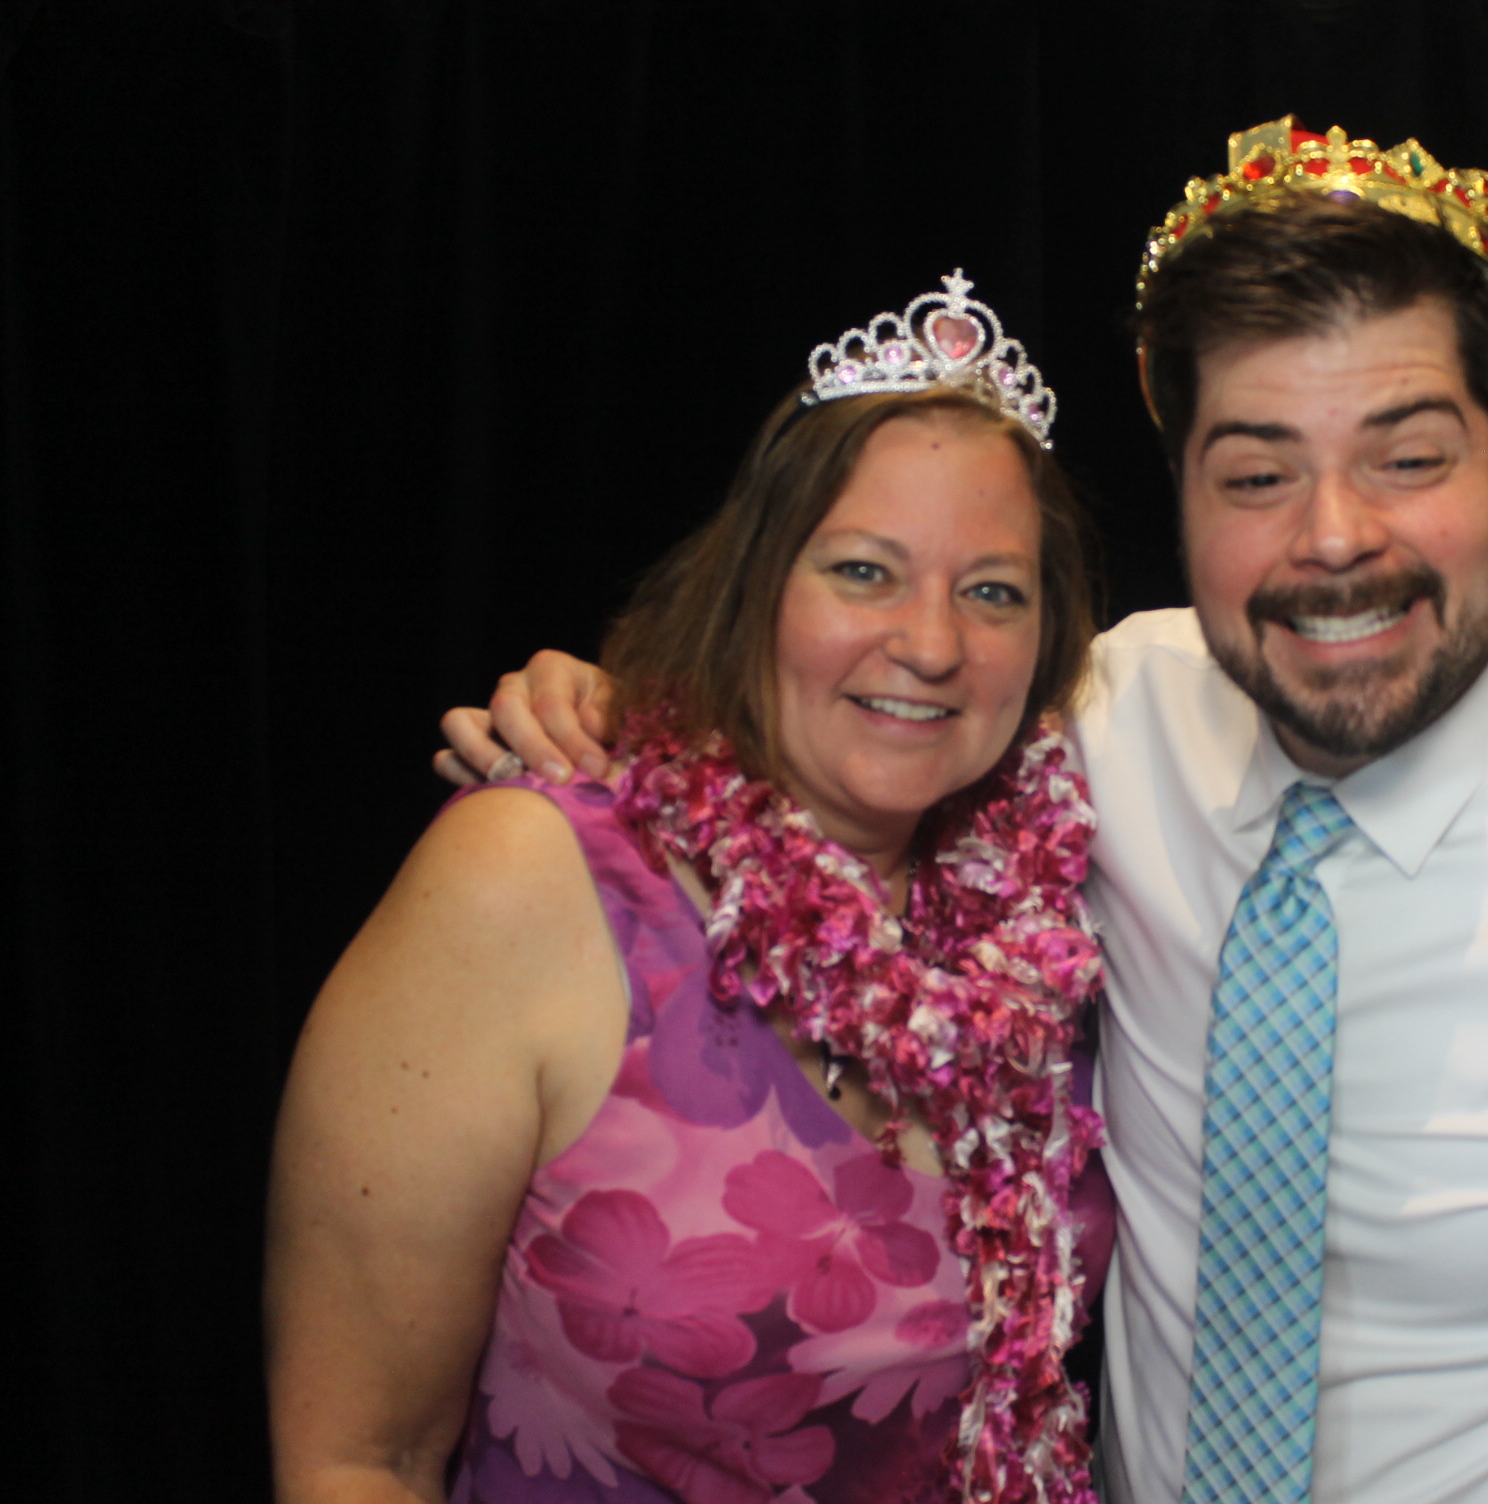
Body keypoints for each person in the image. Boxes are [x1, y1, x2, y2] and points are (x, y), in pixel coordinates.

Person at [444, 122, 1488, 1502]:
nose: (1331, 537)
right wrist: (619, 721)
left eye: (1407, 454)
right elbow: (858, 713)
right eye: (1255, 471)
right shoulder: (1099, 713)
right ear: (1177, 499)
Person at [268, 272, 1116, 1504]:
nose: (933, 642)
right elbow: (360, 1457)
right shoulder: (532, 875)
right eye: (865, 571)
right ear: (757, 583)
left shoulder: (1063, 909)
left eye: (993, 591)